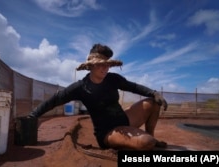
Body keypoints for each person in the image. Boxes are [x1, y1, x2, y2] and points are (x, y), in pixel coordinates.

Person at [28, 44, 168, 150]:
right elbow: (55, 100)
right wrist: (33, 115)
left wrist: (153, 92)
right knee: (146, 142)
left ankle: (153, 138)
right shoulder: (80, 87)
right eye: (101, 65)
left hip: (125, 119)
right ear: (91, 66)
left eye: (107, 64)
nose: (105, 68)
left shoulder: (113, 79)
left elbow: (134, 87)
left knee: (154, 102)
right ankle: (150, 141)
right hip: (108, 132)